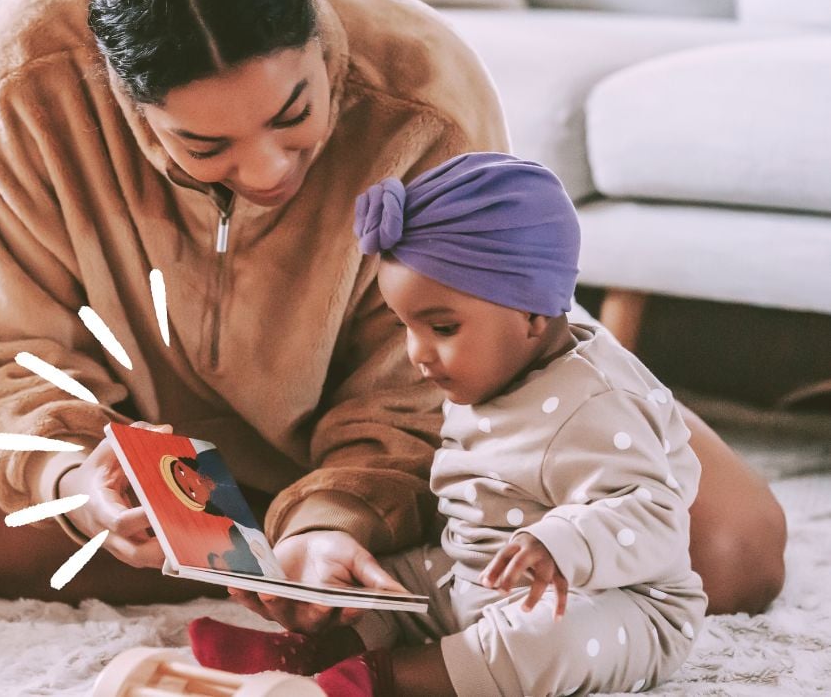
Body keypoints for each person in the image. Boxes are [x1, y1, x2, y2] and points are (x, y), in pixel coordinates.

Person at [0, 0, 784, 618]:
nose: (266, 170)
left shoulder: (423, 83)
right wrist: (80, 479)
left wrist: (337, 511)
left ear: (316, 26)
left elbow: (431, 376)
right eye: (205, 148)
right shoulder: (28, 75)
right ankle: (367, 577)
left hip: (429, 436)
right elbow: (15, 356)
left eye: (294, 116)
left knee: (728, 549)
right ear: (122, 93)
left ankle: (352, 558)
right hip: (167, 440)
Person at [189, 153, 707, 697]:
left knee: (543, 641)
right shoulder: (492, 371)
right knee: (387, 581)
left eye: (441, 327)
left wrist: (560, 542)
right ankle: (317, 653)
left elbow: (656, 516)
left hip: (612, 601)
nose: (418, 353)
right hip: (478, 574)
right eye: (406, 327)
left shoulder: (597, 403)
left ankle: (380, 681)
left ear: (532, 313)